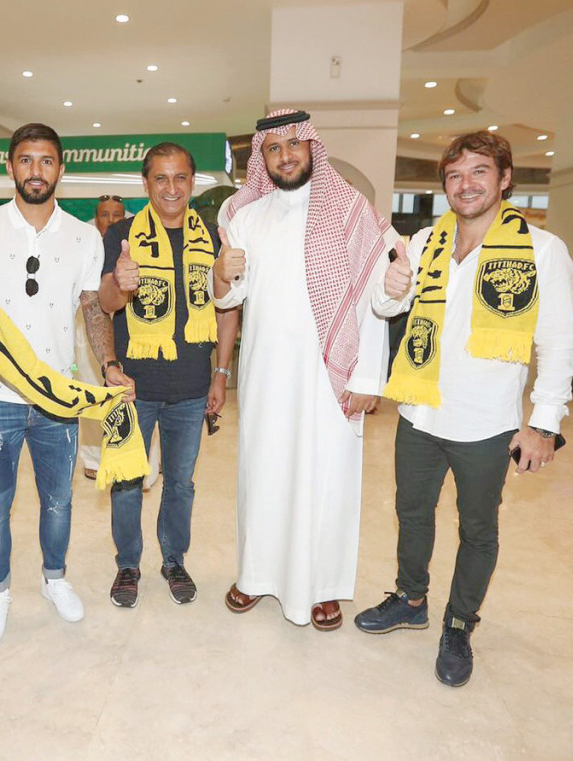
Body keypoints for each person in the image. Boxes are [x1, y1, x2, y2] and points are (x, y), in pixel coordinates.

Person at [354, 132, 573, 687]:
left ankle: (459, 623)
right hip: (420, 412)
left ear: (505, 178)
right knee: (412, 513)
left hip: (487, 422)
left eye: (479, 171)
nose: (466, 184)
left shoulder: (542, 249)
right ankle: (411, 599)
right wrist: (390, 285)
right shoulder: (426, 240)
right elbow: (386, 306)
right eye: (455, 175)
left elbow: (560, 342)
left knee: (478, 529)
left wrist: (544, 423)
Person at [0, 123, 135, 645]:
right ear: (10, 167)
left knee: (58, 501)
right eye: (26, 160)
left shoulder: (83, 236)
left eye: (46, 161)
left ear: (60, 169)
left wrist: (110, 365)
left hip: (57, 396)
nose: (36, 171)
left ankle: (55, 579)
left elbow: (93, 309)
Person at [212, 108, 396, 630]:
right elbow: (228, 297)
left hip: (330, 378)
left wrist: (366, 378)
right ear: (262, 157)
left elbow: (374, 297)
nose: (285, 155)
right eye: (274, 148)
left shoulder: (350, 211)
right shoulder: (246, 217)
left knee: (327, 480)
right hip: (267, 375)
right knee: (263, 473)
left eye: (294, 143)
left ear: (312, 146)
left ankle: (323, 586)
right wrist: (219, 273)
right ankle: (255, 575)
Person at [99, 142, 239, 607]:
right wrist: (120, 283)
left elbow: (226, 309)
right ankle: (128, 564)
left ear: (192, 182)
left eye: (180, 177)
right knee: (126, 482)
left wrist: (221, 373)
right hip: (132, 387)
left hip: (192, 387)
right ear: (146, 184)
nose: (171, 187)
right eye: (160, 178)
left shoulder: (213, 237)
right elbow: (104, 304)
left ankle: (174, 559)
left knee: (181, 483)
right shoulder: (121, 234)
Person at [77, 194, 127, 480]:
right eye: (105, 215)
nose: (110, 220)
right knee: (91, 389)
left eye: (116, 214)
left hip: (125, 323)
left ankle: (141, 453)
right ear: (96, 218)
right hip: (90, 329)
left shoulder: (131, 242)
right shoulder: (85, 243)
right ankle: (94, 457)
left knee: (131, 392)